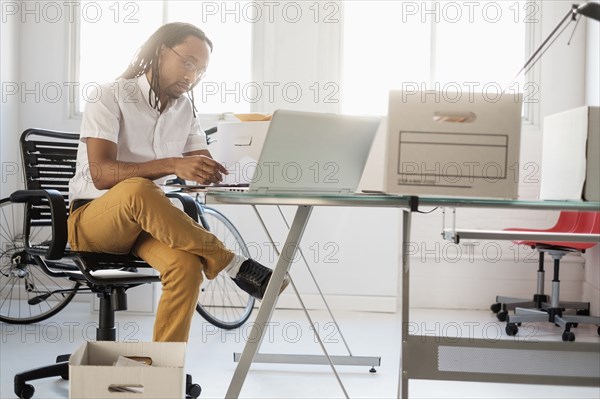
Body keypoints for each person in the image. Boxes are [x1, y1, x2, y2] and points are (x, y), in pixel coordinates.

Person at [68, 22, 288, 343]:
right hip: (92, 222)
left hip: (144, 227)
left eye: (200, 70)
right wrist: (173, 163)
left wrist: (247, 163)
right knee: (138, 187)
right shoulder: (109, 95)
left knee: (186, 266)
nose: (191, 76)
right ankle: (232, 263)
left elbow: (204, 167)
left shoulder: (184, 108)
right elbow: (101, 174)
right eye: (187, 62)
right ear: (160, 52)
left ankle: (162, 374)